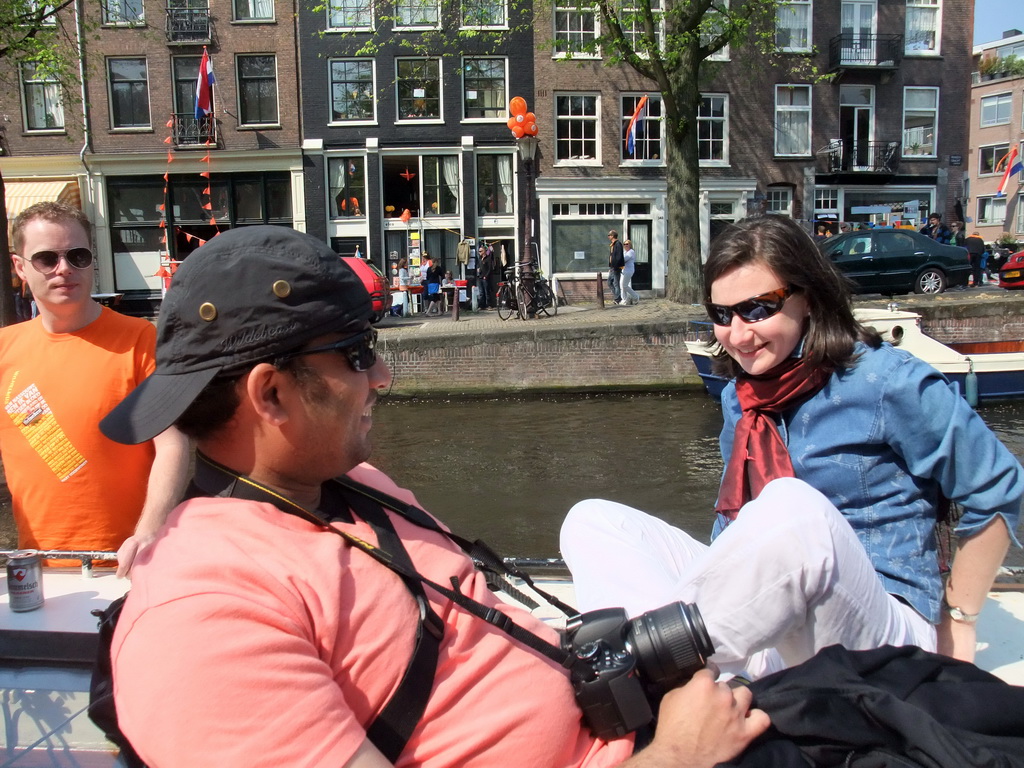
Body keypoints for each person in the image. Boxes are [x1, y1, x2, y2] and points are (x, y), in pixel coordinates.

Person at [99, 225, 767, 768]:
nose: (384, 376)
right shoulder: (203, 619)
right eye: (359, 354)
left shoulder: (352, 488)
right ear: (272, 393)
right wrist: (679, 754)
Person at [562, 214, 1021, 680]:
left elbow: (1000, 488)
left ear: (809, 299)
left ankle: (650, 671)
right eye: (722, 314)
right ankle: (666, 668)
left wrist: (961, 623)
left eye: (758, 308)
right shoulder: (740, 399)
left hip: (879, 630)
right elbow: (737, 527)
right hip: (770, 626)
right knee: (592, 521)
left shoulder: (888, 382)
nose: (737, 335)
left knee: (789, 505)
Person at [0, 202, 190, 575]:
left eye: (78, 255)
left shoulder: (140, 339)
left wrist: (149, 531)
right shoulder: (4, 350)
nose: (64, 269)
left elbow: (172, 443)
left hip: (128, 562)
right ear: (20, 267)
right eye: (45, 259)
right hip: (35, 568)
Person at [618, 239, 639, 306]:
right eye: (624, 244)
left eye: (627, 244)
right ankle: (624, 300)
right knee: (621, 285)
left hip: (629, 270)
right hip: (623, 271)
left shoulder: (631, 252)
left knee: (625, 285)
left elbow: (624, 259)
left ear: (630, 245)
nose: (625, 245)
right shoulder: (624, 252)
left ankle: (636, 296)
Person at [476, 243, 495, 310]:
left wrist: (486, 276)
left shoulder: (488, 258)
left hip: (485, 278)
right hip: (480, 277)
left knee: (487, 292)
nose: (479, 253)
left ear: (484, 251)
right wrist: (478, 269)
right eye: (479, 251)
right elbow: (478, 266)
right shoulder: (479, 259)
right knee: (481, 292)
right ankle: (482, 305)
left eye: (480, 251)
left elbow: (490, 268)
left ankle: (489, 305)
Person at [608, 230, 624, 304]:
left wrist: (616, 266)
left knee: (615, 283)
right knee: (609, 282)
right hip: (612, 267)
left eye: (609, 235)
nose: (608, 236)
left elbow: (619, 256)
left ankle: (617, 299)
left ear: (612, 236)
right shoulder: (613, 244)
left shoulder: (618, 244)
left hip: (616, 267)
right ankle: (617, 297)